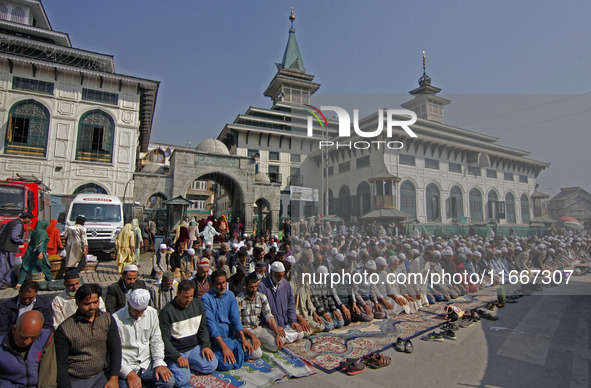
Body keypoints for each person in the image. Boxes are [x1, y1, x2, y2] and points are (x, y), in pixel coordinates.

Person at [55, 283, 121, 388]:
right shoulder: (64, 329)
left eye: (95, 302)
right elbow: (61, 363)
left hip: (101, 376)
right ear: (77, 303)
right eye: (87, 303)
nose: (92, 307)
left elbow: (115, 349)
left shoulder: (107, 319)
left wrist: (114, 378)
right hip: (76, 379)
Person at [159, 280, 217, 387]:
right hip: (177, 351)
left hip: (193, 348)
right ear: (178, 294)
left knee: (212, 365)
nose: (189, 300)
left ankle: (186, 365)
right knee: (183, 380)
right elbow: (164, 340)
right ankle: (177, 365)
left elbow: (202, 328)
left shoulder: (198, 305)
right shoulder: (167, 312)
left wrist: (206, 346)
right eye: (185, 297)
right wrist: (177, 357)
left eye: (191, 296)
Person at [113, 289, 174, 388]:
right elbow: (115, 353)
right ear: (128, 304)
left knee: (169, 382)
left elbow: (156, 340)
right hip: (127, 366)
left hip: (146, 364)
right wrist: (129, 373)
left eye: (142, 311)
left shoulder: (152, 313)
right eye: (136, 311)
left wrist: (159, 363)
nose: (140, 315)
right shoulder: (116, 319)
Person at [201, 270, 257, 370]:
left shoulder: (230, 295)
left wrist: (243, 340)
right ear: (212, 284)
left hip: (230, 338)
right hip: (216, 341)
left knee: (250, 352)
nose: (222, 286)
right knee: (227, 364)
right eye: (219, 284)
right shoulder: (206, 299)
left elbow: (236, 319)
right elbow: (211, 326)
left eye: (224, 283)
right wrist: (224, 347)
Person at [0, 310, 57, 387]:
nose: (27, 342)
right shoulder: (2, 345)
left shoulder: (46, 339)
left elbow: (48, 375)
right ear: (14, 330)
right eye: (23, 337)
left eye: (33, 337)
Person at [257, 261, 306, 344]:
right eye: (278, 276)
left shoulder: (285, 284)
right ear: (271, 273)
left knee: (300, 333)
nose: (280, 278)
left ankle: (283, 337)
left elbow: (291, 305)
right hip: (271, 326)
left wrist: (293, 321)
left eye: (282, 276)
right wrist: (275, 327)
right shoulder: (262, 287)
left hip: (284, 323)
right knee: (276, 341)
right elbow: (263, 313)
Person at [237, 273, 285, 354]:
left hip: (258, 329)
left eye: (256, 286)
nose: (254, 290)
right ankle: (252, 344)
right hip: (247, 331)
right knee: (257, 354)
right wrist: (252, 336)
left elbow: (269, 317)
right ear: (245, 286)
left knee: (278, 344)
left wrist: (276, 333)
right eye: (251, 287)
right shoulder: (239, 300)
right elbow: (238, 324)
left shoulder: (261, 297)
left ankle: (258, 343)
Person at [0, 212, 33, 288]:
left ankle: (5, 282)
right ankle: (3, 282)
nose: (29, 221)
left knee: (3, 264)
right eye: (29, 220)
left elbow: (1, 232)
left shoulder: (12, 222)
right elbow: (14, 237)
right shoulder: (19, 224)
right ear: (26, 218)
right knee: (7, 265)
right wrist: (22, 242)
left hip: (3, 246)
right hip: (9, 247)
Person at [18, 219, 53, 286]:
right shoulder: (43, 233)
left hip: (30, 252)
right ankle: (50, 279)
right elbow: (41, 244)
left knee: (25, 266)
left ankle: (19, 283)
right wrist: (41, 253)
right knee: (45, 266)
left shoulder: (34, 232)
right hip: (39, 253)